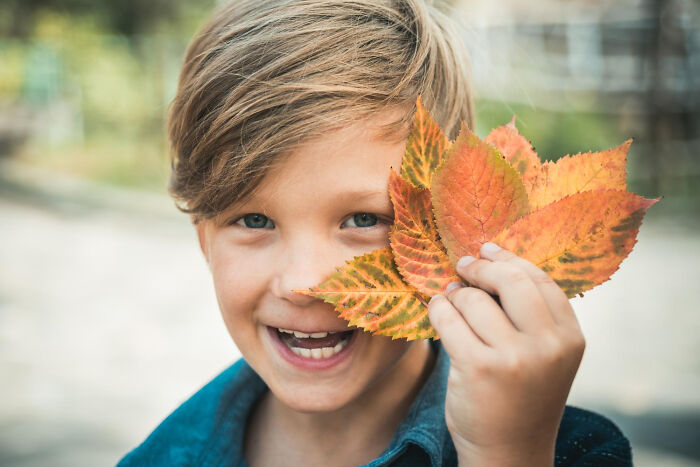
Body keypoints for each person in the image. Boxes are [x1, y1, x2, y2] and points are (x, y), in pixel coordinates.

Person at [118, 0, 633, 465]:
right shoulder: (161, 459)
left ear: (450, 225)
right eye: (254, 221)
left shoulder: (564, 452)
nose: (305, 281)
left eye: (364, 220)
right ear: (203, 236)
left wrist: (508, 455)